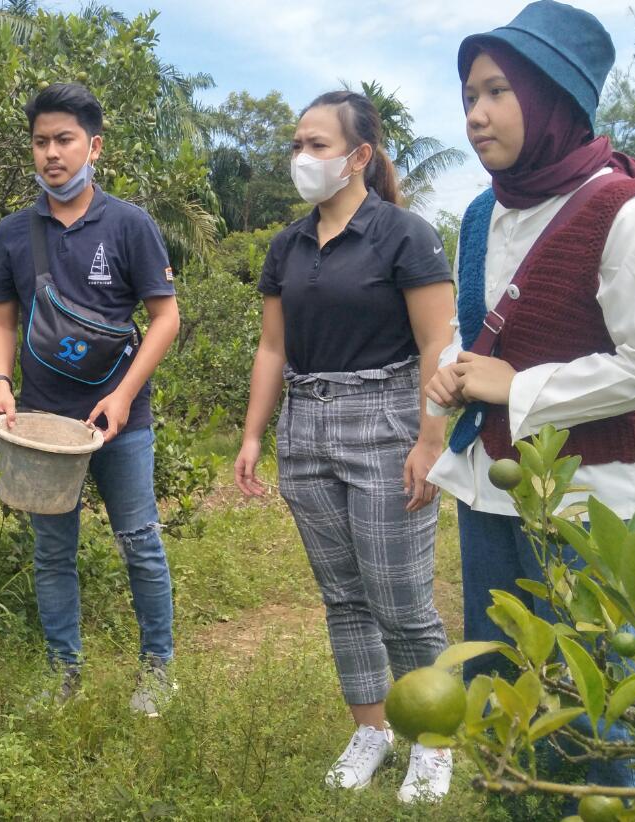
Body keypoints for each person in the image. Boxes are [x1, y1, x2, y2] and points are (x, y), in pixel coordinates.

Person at [426, 0, 635, 788]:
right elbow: (477, 322)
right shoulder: (484, 211)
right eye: (468, 97)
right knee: (503, 682)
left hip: (593, 497)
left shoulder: (627, 211)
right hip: (489, 487)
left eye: (495, 92)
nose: (476, 115)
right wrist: (454, 369)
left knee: (595, 698)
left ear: (554, 97)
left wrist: (523, 389)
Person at [233, 91, 457, 802]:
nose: (303, 157)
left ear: (360, 156)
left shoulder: (404, 236)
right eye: (298, 144)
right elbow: (273, 347)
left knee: (400, 597)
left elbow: (436, 346)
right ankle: (371, 729)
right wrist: (252, 434)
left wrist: (429, 440)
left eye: (318, 145)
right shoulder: (287, 246)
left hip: (387, 418)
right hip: (307, 423)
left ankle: (435, 738)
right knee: (344, 596)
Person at [0, 83, 181, 716]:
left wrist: (124, 397)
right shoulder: (14, 233)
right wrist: (1, 385)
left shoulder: (129, 224)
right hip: (42, 419)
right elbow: (1, 322)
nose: (51, 153)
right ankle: (62, 673)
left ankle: (158, 670)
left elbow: (166, 317)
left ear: (93, 145)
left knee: (140, 540)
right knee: (52, 551)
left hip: (122, 417)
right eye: (41, 141)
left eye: (64, 140)